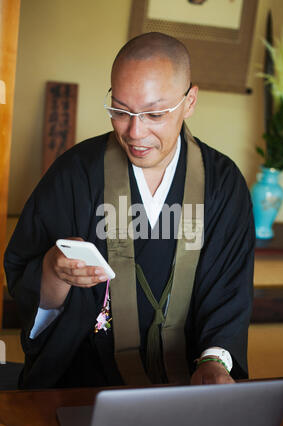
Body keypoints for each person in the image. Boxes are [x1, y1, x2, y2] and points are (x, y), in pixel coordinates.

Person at [4, 32, 255, 390]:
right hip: (84, 384)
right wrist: (52, 271)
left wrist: (215, 361)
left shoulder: (222, 184)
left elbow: (230, 292)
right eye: (120, 111)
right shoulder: (74, 175)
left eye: (154, 113)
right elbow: (26, 282)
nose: (135, 132)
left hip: (190, 386)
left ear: (190, 101)